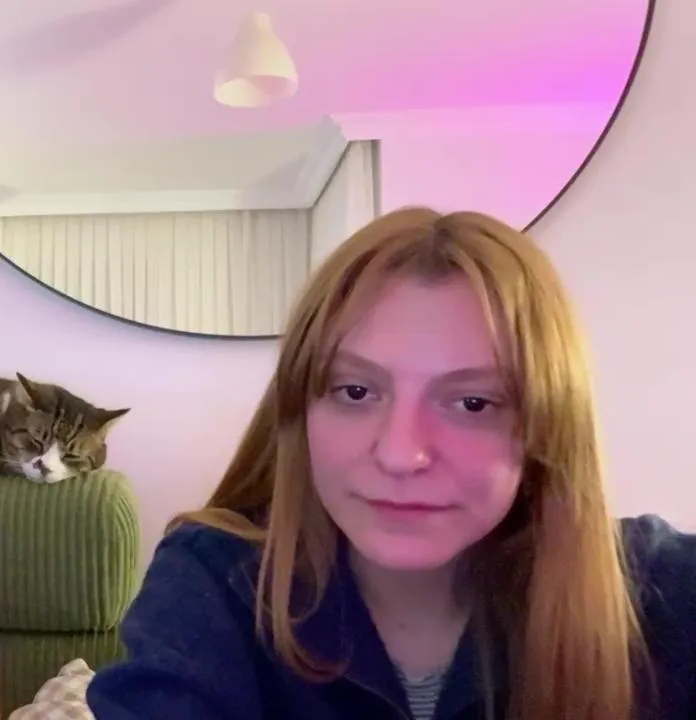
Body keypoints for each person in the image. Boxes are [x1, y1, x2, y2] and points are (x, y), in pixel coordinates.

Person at [85, 208, 696, 719]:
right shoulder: (214, 579)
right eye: (355, 392)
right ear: (299, 411)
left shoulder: (665, 589)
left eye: (472, 403)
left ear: (545, 426)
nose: (402, 454)